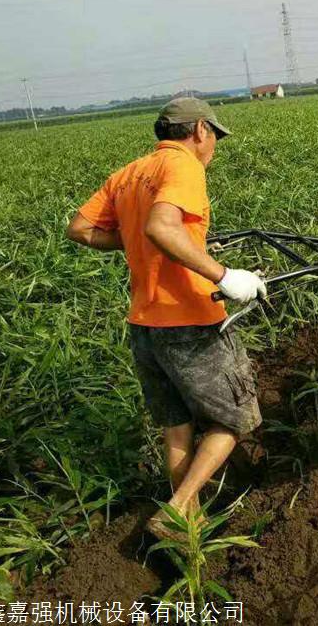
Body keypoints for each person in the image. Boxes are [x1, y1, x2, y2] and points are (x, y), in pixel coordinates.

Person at [66, 96, 264, 541]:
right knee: (236, 417)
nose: (214, 146)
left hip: (144, 324)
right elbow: (161, 227)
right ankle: (177, 509)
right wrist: (225, 275)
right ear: (199, 131)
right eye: (214, 135)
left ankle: (189, 533)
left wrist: (133, 240)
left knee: (177, 427)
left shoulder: (130, 173)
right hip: (189, 319)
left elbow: (79, 228)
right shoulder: (184, 168)